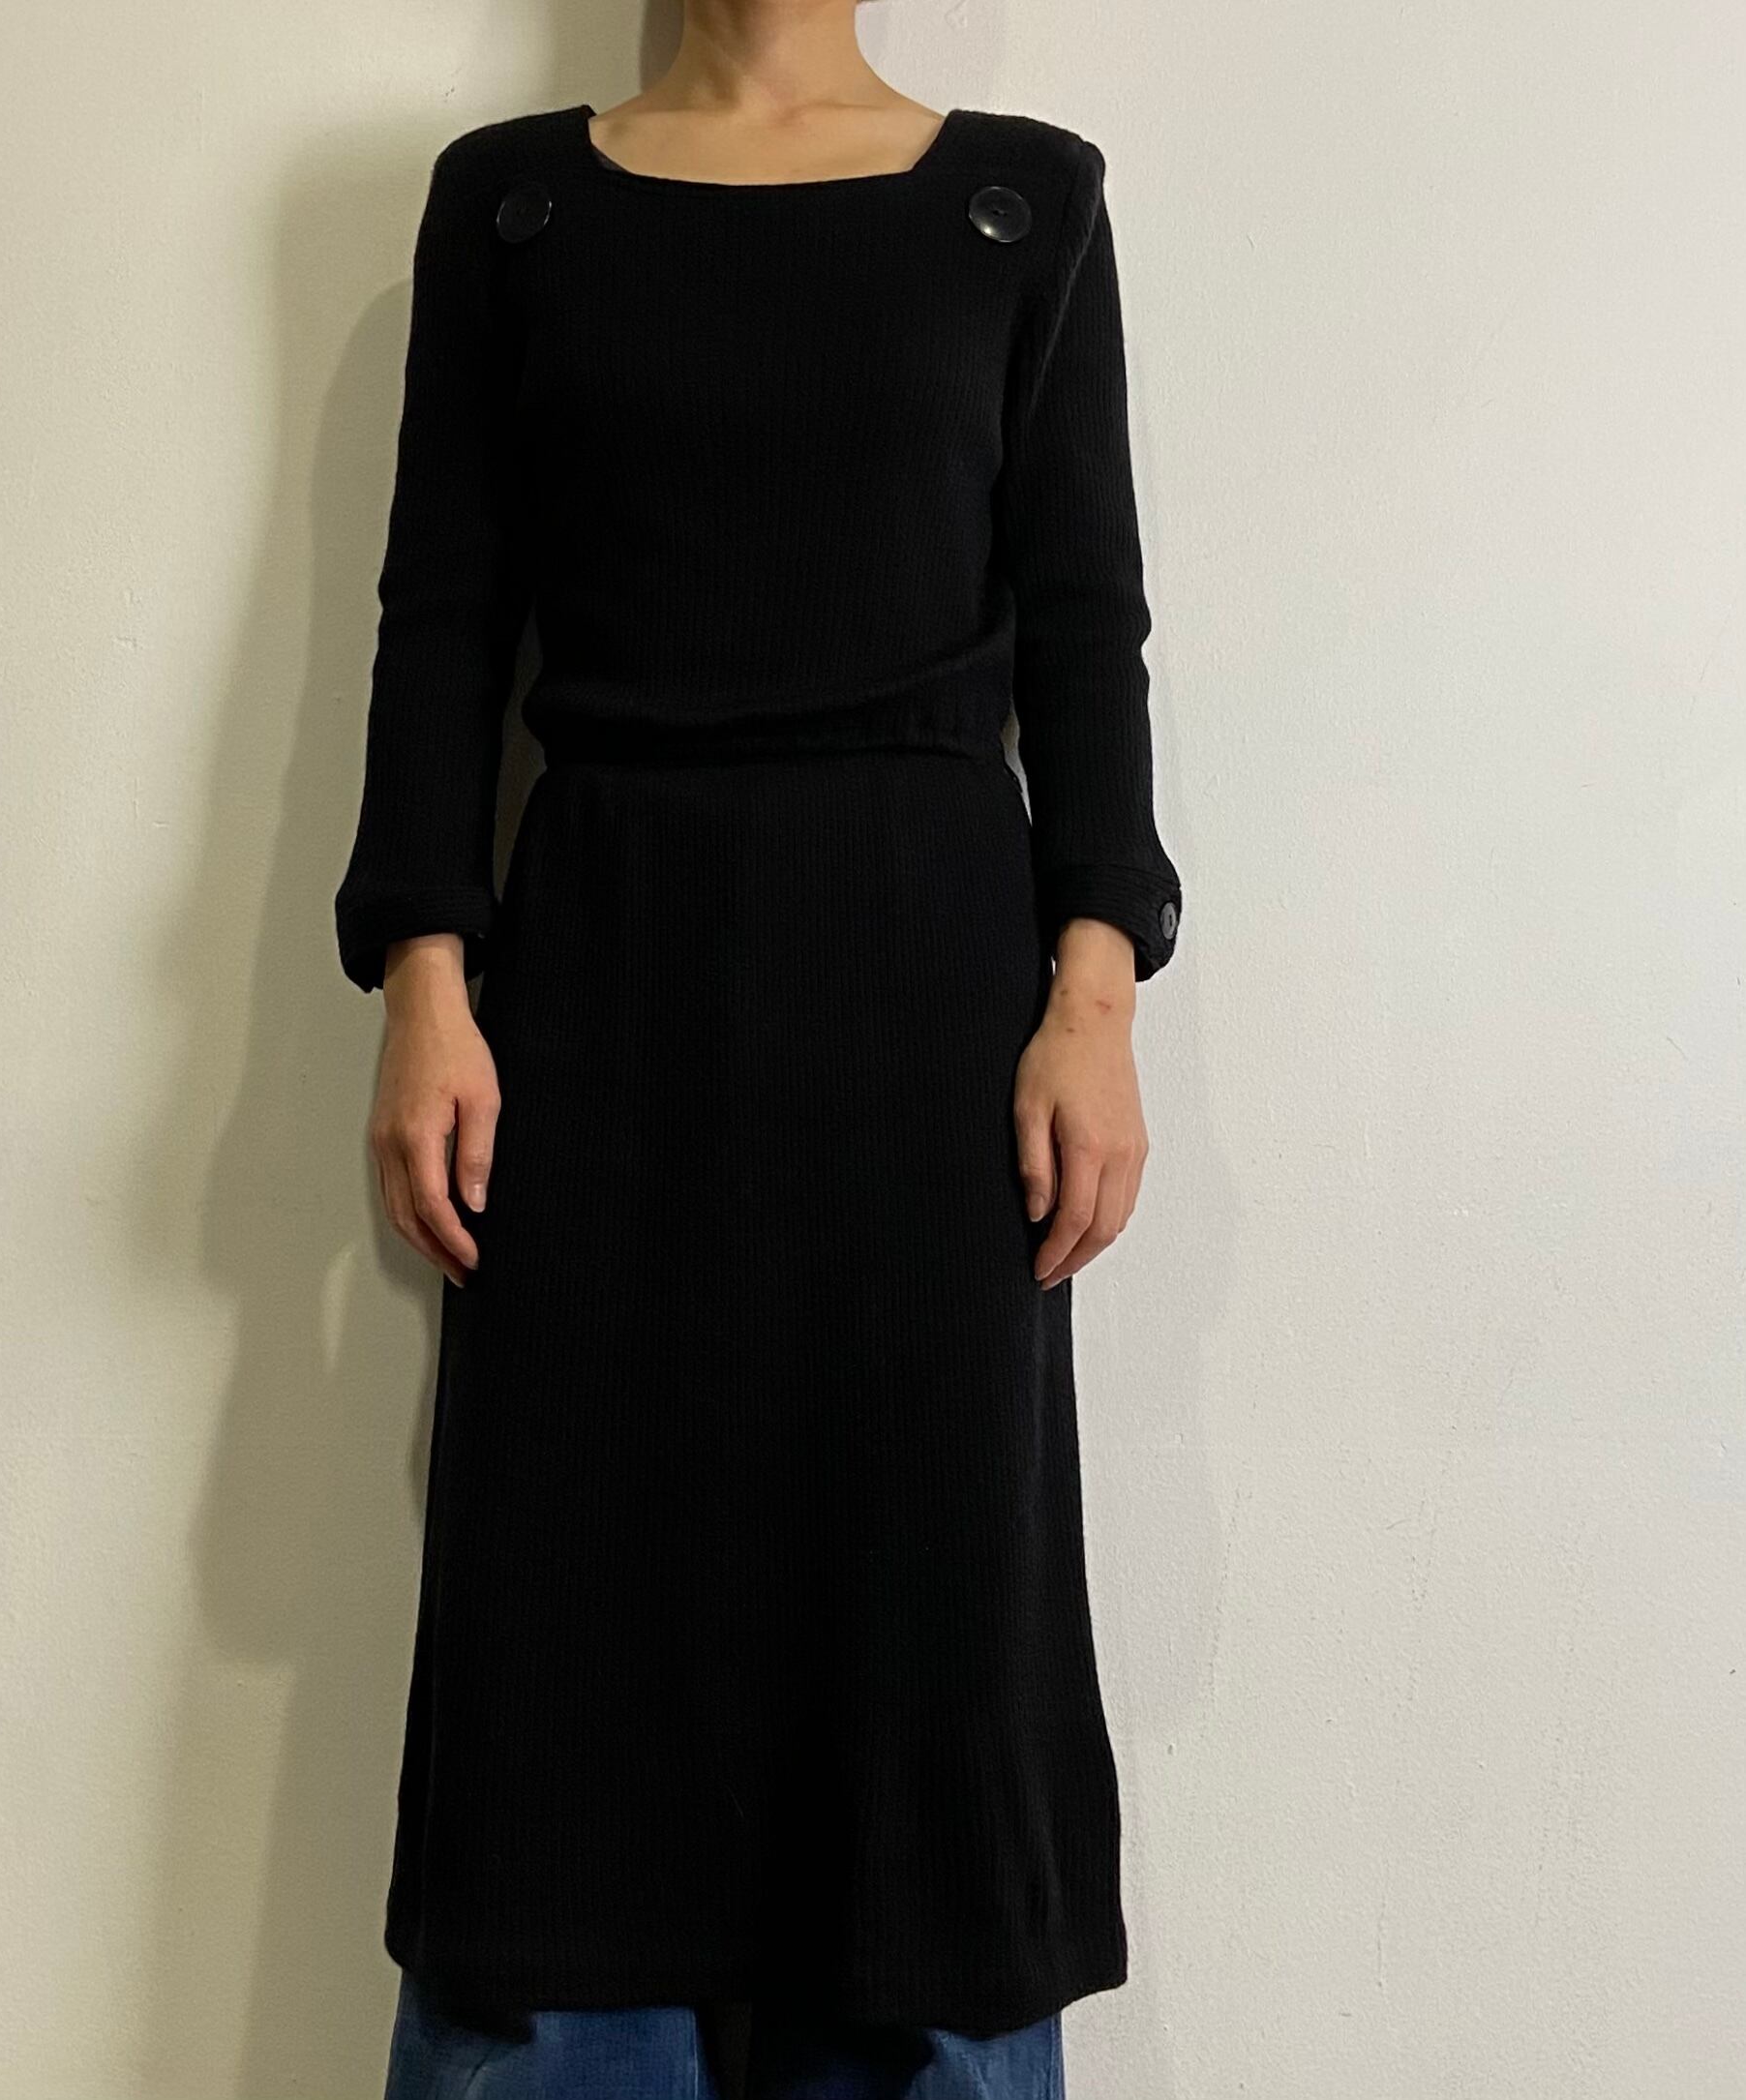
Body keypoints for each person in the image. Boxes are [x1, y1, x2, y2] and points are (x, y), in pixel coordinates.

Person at [334, 14, 1183, 2096]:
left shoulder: (1021, 203)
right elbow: (443, 615)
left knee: (922, 1653)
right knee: (562, 1653)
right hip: (600, 996)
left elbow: (1084, 623)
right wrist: (424, 975)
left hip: (928, 1021)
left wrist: (1092, 995)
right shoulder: (513, 204)